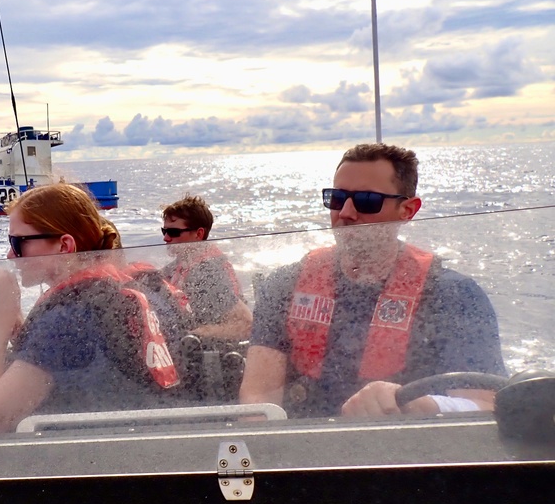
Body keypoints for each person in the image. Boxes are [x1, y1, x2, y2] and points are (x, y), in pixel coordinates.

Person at [240, 143, 505, 418]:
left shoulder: (454, 296)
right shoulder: (284, 286)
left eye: (367, 201)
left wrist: (420, 406)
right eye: (337, 198)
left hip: (407, 455)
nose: (346, 213)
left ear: (408, 210)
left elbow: (487, 405)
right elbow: (258, 397)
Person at [0, 183, 169, 435]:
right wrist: (14, 322)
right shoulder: (112, 291)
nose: (10, 255)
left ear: (64, 245)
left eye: (18, 242)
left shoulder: (68, 319)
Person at [161, 194, 252, 341]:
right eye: (164, 231)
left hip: (213, 354)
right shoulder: (179, 265)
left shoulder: (208, 272)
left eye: (173, 232)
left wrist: (196, 334)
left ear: (199, 233)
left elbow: (245, 325)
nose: (166, 238)